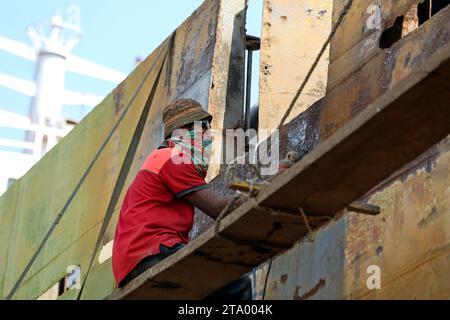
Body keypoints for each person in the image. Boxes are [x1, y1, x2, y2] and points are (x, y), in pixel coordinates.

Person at [112, 98, 252, 300]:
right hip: (152, 253)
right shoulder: (173, 158)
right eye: (203, 127)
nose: (208, 136)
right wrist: (256, 196)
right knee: (236, 285)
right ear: (185, 129)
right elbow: (216, 208)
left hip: (132, 262)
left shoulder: (160, 159)